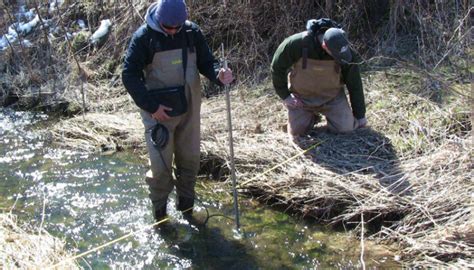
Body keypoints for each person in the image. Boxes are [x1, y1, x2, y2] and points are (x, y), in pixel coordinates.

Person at [122, 0, 233, 223]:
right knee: (160, 169)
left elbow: (207, 63)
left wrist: (219, 76)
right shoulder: (144, 38)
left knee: (190, 162)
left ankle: (187, 212)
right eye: (168, 27)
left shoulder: (192, 32)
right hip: (159, 115)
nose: (172, 31)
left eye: (177, 27)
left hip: (190, 110)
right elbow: (129, 75)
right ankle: (161, 219)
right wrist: (152, 107)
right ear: (159, 20)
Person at [271, 18, 367, 140]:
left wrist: (360, 115)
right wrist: (286, 96)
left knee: (346, 129)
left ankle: (331, 117)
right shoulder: (295, 44)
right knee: (296, 134)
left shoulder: (344, 51)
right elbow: (277, 68)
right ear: (324, 45)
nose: (340, 57)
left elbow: (355, 84)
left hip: (332, 97)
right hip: (302, 98)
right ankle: (310, 117)